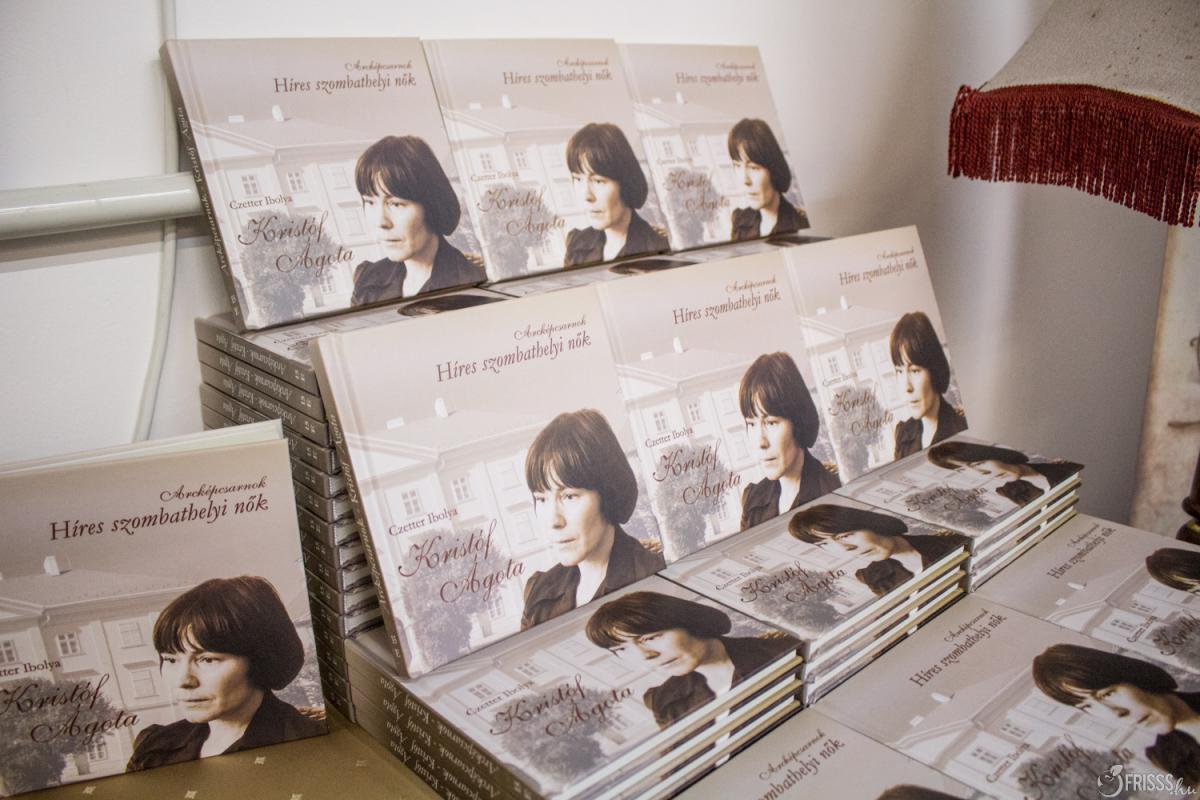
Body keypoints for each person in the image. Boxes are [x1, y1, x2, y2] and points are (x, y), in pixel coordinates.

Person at [127, 576, 323, 771]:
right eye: (171, 660)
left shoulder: (311, 747)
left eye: (207, 660)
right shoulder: (153, 748)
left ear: (261, 658)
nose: (183, 680)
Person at [520, 409, 664, 630]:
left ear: (608, 493)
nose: (553, 521)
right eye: (541, 499)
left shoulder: (654, 574)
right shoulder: (538, 591)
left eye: (569, 496)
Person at [585, 591, 798, 728]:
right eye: (622, 649)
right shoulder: (662, 700)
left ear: (690, 623)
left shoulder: (782, 651)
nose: (645, 656)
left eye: (651, 638)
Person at [1032, 643, 1200, 788]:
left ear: (1134, 677)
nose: (1115, 713)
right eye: (1087, 706)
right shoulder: (1165, 755)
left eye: (1107, 694)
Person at [351, 135, 484, 306]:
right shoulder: (367, 280)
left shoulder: (474, 282)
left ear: (432, 206)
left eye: (396, 204)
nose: (381, 222)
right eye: (370, 202)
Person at [738, 352, 840, 531]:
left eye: (771, 423)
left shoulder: (832, 489)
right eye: (751, 424)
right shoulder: (753, 499)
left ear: (798, 421)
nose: (760, 442)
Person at [789, 504, 968, 595]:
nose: (846, 549)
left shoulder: (953, 543)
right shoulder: (873, 577)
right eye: (824, 544)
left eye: (845, 535)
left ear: (869, 523)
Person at [563, 123, 668, 267]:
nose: (586, 196)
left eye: (598, 181)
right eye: (578, 179)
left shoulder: (659, 248)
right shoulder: (576, 244)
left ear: (626, 183)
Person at [888, 311, 966, 459]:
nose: (907, 387)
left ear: (934, 370)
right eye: (899, 371)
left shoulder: (960, 429)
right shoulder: (903, 434)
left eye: (915, 371)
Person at [927, 440, 1082, 507]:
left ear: (992, 454)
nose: (981, 473)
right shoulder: (1008, 494)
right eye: (963, 470)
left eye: (978, 463)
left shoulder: (1062, 468)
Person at [727, 118, 807, 241]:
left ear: (774, 169)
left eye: (753, 168)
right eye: (737, 166)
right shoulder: (740, 220)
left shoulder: (799, 225)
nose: (745, 180)